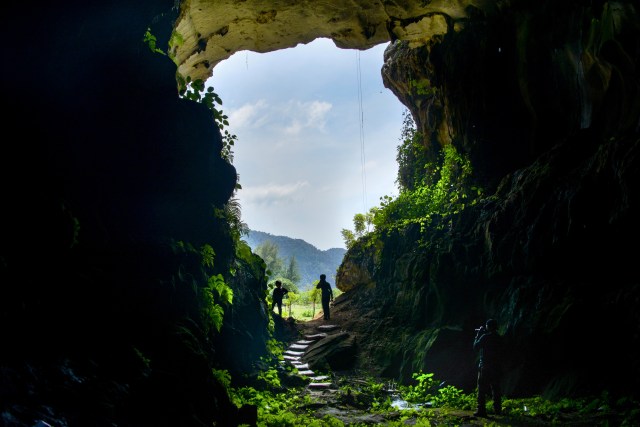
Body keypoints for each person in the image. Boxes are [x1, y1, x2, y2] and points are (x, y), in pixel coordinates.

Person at [473, 318, 503, 417]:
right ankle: (497, 410)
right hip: (496, 367)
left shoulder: (485, 337)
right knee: (496, 389)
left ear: (488, 327)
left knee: (482, 389)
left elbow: (476, 347)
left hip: (485, 367)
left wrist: (478, 335)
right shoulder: (499, 338)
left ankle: (481, 410)